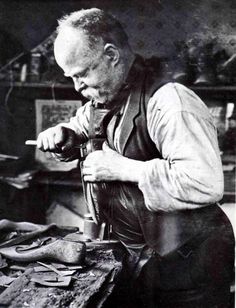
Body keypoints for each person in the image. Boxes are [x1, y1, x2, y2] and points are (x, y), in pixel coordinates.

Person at [37, 8, 234, 308]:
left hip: (189, 266)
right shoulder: (103, 96)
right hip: (144, 260)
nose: (77, 87)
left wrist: (123, 169)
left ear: (112, 55)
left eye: (82, 74)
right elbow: (86, 125)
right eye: (71, 77)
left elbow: (205, 183)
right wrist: (66, 133)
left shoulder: (170, 101)